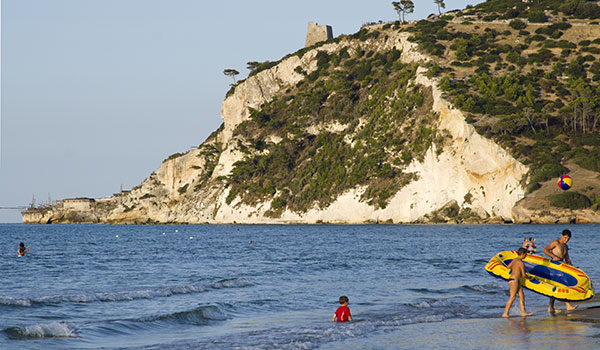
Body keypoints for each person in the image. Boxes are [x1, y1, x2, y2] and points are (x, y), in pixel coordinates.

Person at [543, 229, 577, 313]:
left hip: (562, 268)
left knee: (560, 286)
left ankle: (551, 307)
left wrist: (572, 268)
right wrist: (553, 256)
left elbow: (567, 258)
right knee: (559, 285)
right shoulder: (555, 243)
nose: (566, 240)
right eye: (565, 238)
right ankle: (566, 305)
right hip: (554, 267)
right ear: (561, 236)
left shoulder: (565, 246)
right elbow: (545, 250)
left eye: (568, 239)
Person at [502, 248, 533, 318]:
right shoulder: (521, 263)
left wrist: (515, 270)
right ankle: (505, 313)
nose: (526, 256)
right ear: (522, 254)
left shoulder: (514, 260)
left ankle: (523, 312)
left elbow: (508, 267)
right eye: (526, 254)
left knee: (522, 295)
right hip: (514, 281)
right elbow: (524, 275)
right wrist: (530, 278)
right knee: (512, 297)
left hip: (514, 280)